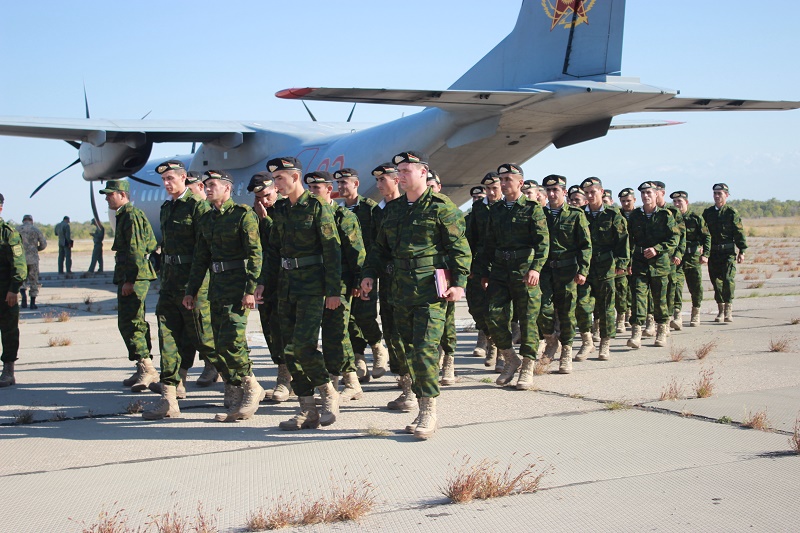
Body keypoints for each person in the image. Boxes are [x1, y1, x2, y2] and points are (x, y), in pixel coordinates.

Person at [361, 151, 471, 439]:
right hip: (398, 289)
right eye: (399, 171)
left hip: (430, 290)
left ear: (424, 172)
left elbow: (460, 248)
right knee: (403, 348)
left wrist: (459, 283)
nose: (402, 175)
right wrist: (369, 274)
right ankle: (410, 392)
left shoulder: (441, 208)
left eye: (408, 170)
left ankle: (427, 411)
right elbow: (379, 248)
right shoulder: (393, 210)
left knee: (424, 350)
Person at [260, 157, 341, 430]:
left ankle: (328, 393)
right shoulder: (280, 210)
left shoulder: (318, 208)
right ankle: (307, 409)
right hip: (285, 286)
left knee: (304, 345)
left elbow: (332, 251)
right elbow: (272, 251)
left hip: (312, 286)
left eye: (280, 179)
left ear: (295, 178)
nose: (276, 184)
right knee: (288, 350)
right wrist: (263, 283)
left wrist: (333, 291)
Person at [183, 170, 264, 422]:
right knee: (219, 344)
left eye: (213, 185)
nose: (207, 188)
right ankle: (234, 393)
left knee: (233, 340)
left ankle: (252, 386)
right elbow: (200, 259)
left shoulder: (243, 216)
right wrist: (191, 290)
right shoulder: (207, 220)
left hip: (237, 287)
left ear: (227, 189)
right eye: (205, 185)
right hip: (216, 288)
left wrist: (250, 289)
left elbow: (254, 254)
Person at [143, 160, 218, 420]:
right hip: (170, 281)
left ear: (184, 178)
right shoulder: (167, 208)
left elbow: (204, 250)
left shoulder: (198, 207)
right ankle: (169, 397)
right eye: (163, 181)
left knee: (204, 338)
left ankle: (240, 385)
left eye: (171, 179)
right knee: (168, 336)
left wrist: (195, 288)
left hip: (194, 282)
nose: (166, 184)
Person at [477, 163, 549, 390]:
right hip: (499, 270)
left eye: (508, 179)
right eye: (502, 179)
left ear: (520, 182)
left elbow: (542, 242)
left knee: (528, 319)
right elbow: (488, 243)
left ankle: (527, 366)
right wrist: (484, 271)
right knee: (492, 316)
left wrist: (536, 268)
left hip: (524, 270)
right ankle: (510, 358)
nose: (504, 183)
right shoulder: (496, 210)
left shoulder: (531, 208)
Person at [305, 171, 365, 402]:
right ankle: (337, 381)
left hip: (340, 283)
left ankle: (349, 382)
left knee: (337, 333)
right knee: (325, 335)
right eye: (309, 188)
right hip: (314, 283)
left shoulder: (342, 216)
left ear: (329, 190)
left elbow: (356, 251)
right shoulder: (308, 215)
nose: (312, 193)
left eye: (316, 188)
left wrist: (358, 281)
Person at [99, 180, 159, 392]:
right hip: (132, 275)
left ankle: (147, 368)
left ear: (122, 195)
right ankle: (142, 364)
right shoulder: (127, 215)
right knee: (131, 321)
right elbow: (151, 243)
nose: (107, 198)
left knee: (131, 321)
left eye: (110, 194)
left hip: (134, 277)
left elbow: (136, 250)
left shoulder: (131, 216)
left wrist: (130, 281)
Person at [335, 168, 389, 382]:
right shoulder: (337, 212)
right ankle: (358, 358)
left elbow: (378, 242)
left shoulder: (370, 209)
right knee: (348, 319)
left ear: (356, 184)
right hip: (344, 272)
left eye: (345, 183)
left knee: (365, 315)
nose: (341, 187)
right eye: (338, 183)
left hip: (366, 271)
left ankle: (377, 347)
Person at [538, 174, 592, 374]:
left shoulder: (576, 215)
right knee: (542, 309)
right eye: (548, 190)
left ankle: (567, 350)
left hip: (568, 270)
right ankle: (552, 341)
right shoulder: (540, 214)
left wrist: (583, 270)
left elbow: (585, 246)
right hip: (544, 270)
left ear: (564, 192)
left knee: (567, 312)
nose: (551, 194)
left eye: (556, 190)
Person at [371, 162, 413, 411]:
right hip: (388, 283)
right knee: (392, 333)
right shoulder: (378, 211)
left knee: (409, 335)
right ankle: (405, 382)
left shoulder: (409, 207)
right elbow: (376, 247)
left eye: (382, 180)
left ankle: (412, 388)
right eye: (376, 181)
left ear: (396, 180)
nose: (378, 186)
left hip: (412, 283)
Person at [248, 171, 290, 401]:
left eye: (266, 195)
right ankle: (283, 373)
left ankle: (288, 379)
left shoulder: (286, 209)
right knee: (270, 329)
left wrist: (266, 221)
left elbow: (283, 241)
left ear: (275, 189)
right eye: (258, 198)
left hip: (288, 280)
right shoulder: (254, 214)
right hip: (265, 280)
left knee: (287, 330)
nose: (264, 201)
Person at [579, 177, 629, 361]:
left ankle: (605, 343)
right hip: (584, 268)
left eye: (593, 192)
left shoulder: (613, 215)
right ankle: (587, 340)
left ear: (601, 192)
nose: (590, 196)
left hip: (606, 267)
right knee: (582, 306)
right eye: (587, 193)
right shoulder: (579, 214)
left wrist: (622, 264)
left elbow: (623, 241)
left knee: (607, 307)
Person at [626, 181, 680, 348]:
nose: (646, 196)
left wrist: (657, 249)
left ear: (657, 194)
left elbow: (674, 239)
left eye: (649, 193)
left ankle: (661, 331)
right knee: (638, 297)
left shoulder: (666, 215)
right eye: (643, 193)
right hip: (640, 262)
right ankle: (636, 333)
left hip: (660, 264)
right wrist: (628, 260)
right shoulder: (635, 216)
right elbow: (629, 239)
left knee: (660, 299)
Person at [425, 169, 460, 386]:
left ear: (439, 187)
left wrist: (458, 280)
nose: (429, 190)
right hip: (423, 275)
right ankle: (434, 358)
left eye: (432, 186)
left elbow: (459, 248)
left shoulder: (448, 210)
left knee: (446, 318)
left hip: (444, 273)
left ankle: (449, 358)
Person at [466, 172, 502, 368]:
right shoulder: (478, 207)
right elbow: (470, 238)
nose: (491, 192)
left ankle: (500, 350)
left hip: (501, 265)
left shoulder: (506, 207)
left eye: (494, 188)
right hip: (480, 264)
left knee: (499, 311)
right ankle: (489, 338)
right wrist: (469, 266)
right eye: (488, 189)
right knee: (477, 308)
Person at [702, 183, 746, 322]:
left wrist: (742, 250)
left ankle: (728, 309)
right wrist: (703, 250)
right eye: (715, 193)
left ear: (726, 195)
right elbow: (703, 233)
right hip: (713, 253)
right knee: (716, 282)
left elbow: (738, 232)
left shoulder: (731, 213)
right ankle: (720, 310)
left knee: (728, 280)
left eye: (719, 193)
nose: (716, 196)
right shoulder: (708, 213)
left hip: (727, 253)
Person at [670, 191, 710, 327]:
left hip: (693, 257)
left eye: (679, 201)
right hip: (677, 258)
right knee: (676, 286)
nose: (677, 204)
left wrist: (706, 254)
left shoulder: (695, 218)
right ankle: (677, 315)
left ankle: (696, 312)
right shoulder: (672, 218)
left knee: (696, 286)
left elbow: (706, 236)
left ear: (686, 202)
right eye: (674, 202)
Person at [0, 194, 28, 387]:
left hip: (4, 292)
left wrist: (13, 289)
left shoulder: (8, 234)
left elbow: (19, 266)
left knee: (8, 330)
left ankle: (8, 369)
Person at [616, 188, 636, 331]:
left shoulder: (639, 215)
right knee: (622, 289)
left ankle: (634, 314)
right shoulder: (617, 215)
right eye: (623, 201)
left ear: (634, 200)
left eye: (628, 200)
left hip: (638, 257)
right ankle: (622, 316)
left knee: (635, 289)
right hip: (622, 257)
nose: (625, 203)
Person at [17, 214, 46, 309]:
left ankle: (24, 299)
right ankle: (33, 303)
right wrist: (35, 249)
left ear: (23, 220)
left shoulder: (17, 230)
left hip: (21, 259)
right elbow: (43, 244)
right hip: (33, 259)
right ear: (31, 221)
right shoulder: (36, 230)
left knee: (21, 280)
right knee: (34, 280)